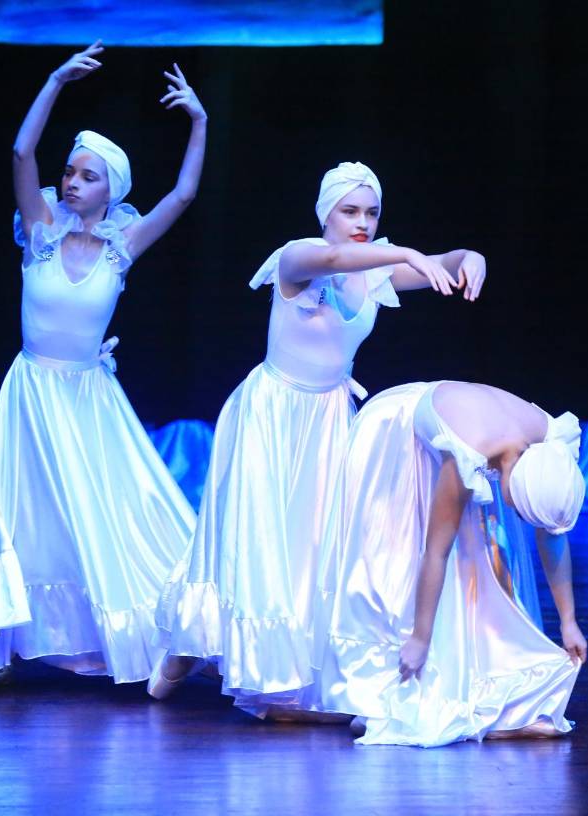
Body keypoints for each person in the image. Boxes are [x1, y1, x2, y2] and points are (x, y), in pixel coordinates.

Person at [152, 163, 488, 718]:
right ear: (325, 213)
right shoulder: (298, 256)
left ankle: (285, 667)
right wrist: (405, 253)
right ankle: (187, 649)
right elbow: (335, 259)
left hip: (330, 417)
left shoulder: (375, 272)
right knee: (256, 538)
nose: (362, 222)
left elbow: (447, 263)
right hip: (272, 412)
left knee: (312, 547)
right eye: (349, 211)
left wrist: (468, 259)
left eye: (371, 212)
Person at [0, 41, 207, 691]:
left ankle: (167, 632)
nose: (71, 181)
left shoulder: (122, 246)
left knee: (110, 514)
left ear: (110, 191)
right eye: (70, 170)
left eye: (87, 175)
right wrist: (54, 81)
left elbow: (182, 195)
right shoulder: (38, 228)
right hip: (31, 392)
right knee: (18, 514)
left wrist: (200, 122)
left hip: (90, 399)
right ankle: (0, 653)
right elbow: (19, 154)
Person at [314, 380, 587, 746]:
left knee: (481, 564)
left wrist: (569, 622)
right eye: (521, 512)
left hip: (464, 415)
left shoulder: (550, 445)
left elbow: (552, 534)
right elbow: (436, 551)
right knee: (403, 557)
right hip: (396, 426)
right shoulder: (465, 457)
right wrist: (420, 638)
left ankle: (482, 675)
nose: (520, 521)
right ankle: (382, 690)